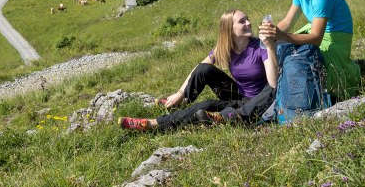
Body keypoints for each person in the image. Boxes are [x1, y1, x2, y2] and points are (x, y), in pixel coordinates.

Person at [118, 9, 278, 131]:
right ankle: (170, 109)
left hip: (260, 100)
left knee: (213, 105)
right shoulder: (226, 48)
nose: (249, 23)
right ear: (230, 29)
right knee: (204, 71)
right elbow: (200, 68)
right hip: (239, 96)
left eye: (247, 19)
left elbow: (273, 84)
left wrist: (270, 46)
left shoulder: (260, 46)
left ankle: (153, 124)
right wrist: (180, 92)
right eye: (242, 21)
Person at [259, 0, 360, 102]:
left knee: (284, 49)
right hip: (321, 36)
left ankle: (280, 93)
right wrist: (268, 34)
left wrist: (281, 36)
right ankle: (276, 89)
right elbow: (287, 22)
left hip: (334, 43)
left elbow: (316, 38)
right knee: (273, 46)